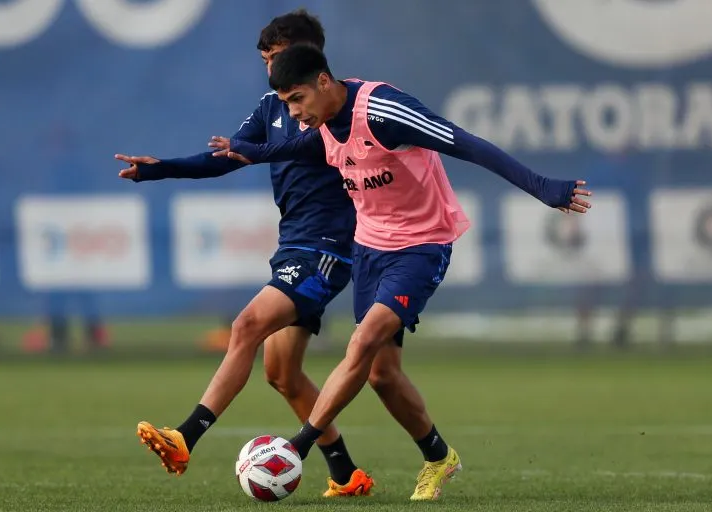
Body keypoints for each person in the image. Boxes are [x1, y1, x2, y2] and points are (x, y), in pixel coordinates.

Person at [209, 43, 592, 500]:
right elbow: (283, 149)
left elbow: (466, 143)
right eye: (286, 103)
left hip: (422, 245)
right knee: (381, 375)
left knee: (364, 340)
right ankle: (439, 457)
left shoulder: (384, 111)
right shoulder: (323, 125)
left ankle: (296, 447)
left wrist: (543, 187)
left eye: (297, 99)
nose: (293, 113)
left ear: (324, 82)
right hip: (370, 248)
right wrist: (227, 154)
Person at [115, 11, 375, 497]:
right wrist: (161, 168)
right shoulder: (271, 105)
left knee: (245, 327)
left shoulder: (329, 108)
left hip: (327, 250)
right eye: (265, 61)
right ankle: (346, 474)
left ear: (308, 57)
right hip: (293, 244)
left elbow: (294, 148)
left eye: (275, 58)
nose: (269, 70)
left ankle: (185, 437)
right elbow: (227, 156)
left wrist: (251, 150)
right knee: (282, 375)